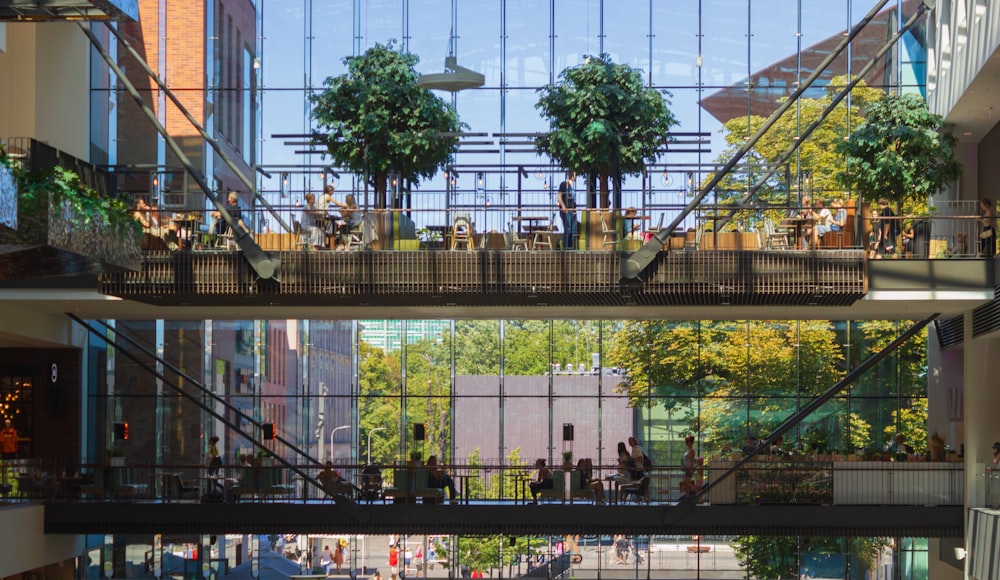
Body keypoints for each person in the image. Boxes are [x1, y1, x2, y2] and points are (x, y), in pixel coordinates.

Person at [556, 179, 577, 251]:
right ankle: (565, 248)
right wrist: (563, 207)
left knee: (573, 230)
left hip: (572, 210)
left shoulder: (572, 187)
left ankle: (570, 248)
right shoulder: (563, 184)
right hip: (566, 210)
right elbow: (559, 196)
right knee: (567, 229)